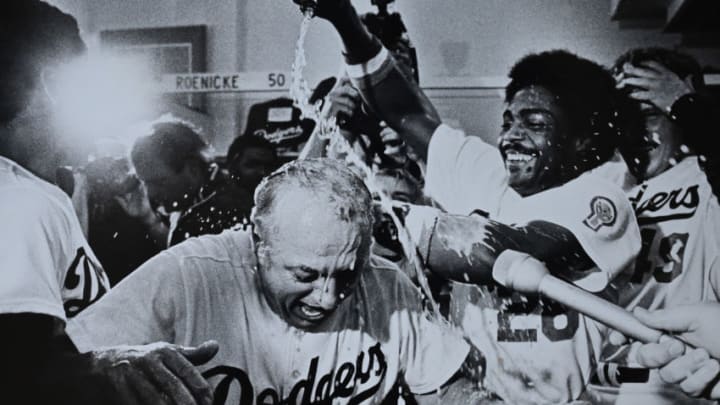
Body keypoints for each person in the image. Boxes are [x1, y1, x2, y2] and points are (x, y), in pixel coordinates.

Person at [290, 1, 641, 402]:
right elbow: (403, 111)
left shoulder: (603, 198)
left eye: (535, 124)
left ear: (584, 140)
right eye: (508, 121)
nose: (511, 136)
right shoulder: (488, 170)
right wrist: (345, 21)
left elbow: (502, 252)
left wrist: (371, 216)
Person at [66, 158, 482, 404]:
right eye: (305, 274)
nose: (327, 298)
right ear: (258, 243)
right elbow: (54, 368)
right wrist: (101, 366)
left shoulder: (385, 285)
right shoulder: (187, 273)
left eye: (346, 274)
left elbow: (448, 387)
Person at [0, 1, 218, 404]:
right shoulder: (20, 202)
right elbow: (15, 368)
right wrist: (107, 364)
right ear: (54, 86)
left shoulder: (35, 192)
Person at [587, 48, 720, 405]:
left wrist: (688, 103)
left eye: (649, 114)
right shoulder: (608, 181)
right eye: (625, 118)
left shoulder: (705, 177)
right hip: (595, 382)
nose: (636, 133)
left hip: (675, 383)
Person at [128, 117, 246, 246]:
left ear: (193, 169)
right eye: (145, 183)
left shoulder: (224, 211)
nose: (152, 193)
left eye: (160, 182)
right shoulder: (199, 201)